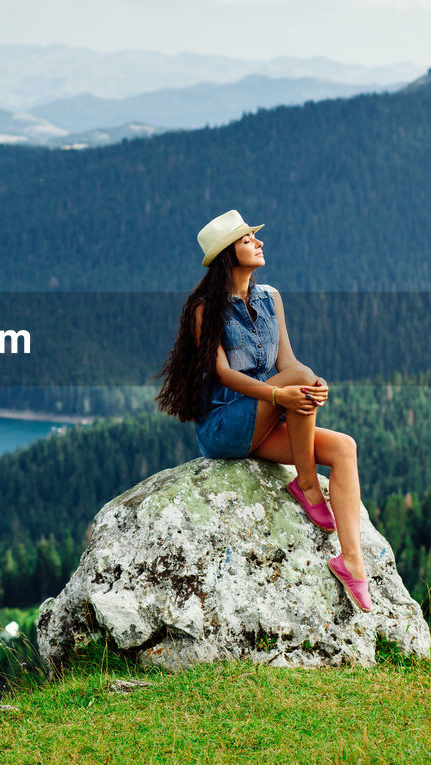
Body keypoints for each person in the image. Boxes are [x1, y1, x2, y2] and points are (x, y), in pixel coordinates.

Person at [154, 209, 372, 612]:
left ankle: (353, 564)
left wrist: (312, 385)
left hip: (266, 419)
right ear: (227, 255)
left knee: (344, 448)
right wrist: (281, 396)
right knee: (297, 379)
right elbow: (220, 373)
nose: (259, 243)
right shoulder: (206, 309)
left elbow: (287, 363)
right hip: (225, 426)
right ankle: (307, 484)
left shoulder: (271, 298)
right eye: (248, 239)